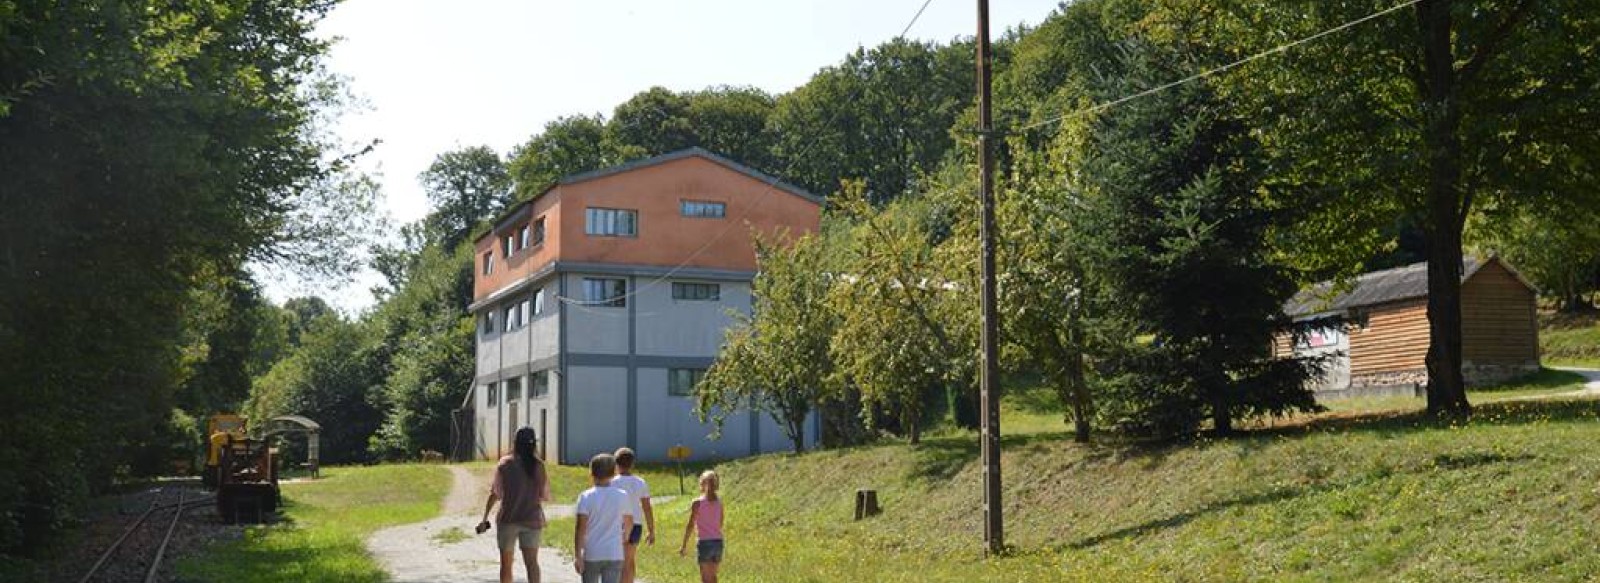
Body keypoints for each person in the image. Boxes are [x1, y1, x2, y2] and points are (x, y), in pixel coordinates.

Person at [479, 427, 552, 583]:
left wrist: (485, 517)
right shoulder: (539, 465)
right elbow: (545, 495)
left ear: (515, 442)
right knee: (532, 563)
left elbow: (495, 493)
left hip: (508, 519)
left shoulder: (504, 464)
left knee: (506, 564)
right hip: (532, 519)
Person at [575, 453, 633, 583]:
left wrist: (578, 555)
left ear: (592, 472)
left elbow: (580, 529)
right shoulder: (622, 495)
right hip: (614, 552)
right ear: (614, 472)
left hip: (592, 552)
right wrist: (625, 537)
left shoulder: (585, 497)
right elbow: (629, 521)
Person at [611, 447, 654, 583]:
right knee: (629, 560)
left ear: (616, 464)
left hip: (618, 525)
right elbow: (647, 508)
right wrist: (651, 530)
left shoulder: (612, 482)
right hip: (636, 524)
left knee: (618, 561)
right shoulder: (640, 482)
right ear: (632, 464)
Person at [679, 470, 724, 583]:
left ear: (702, 484)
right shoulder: (719, 503)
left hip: (704, 542)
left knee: (705, 578)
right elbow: (720, 522)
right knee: (713, 577)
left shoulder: (697, 503)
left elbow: (690, 525)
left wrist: (684, 544)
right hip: (718, 542)